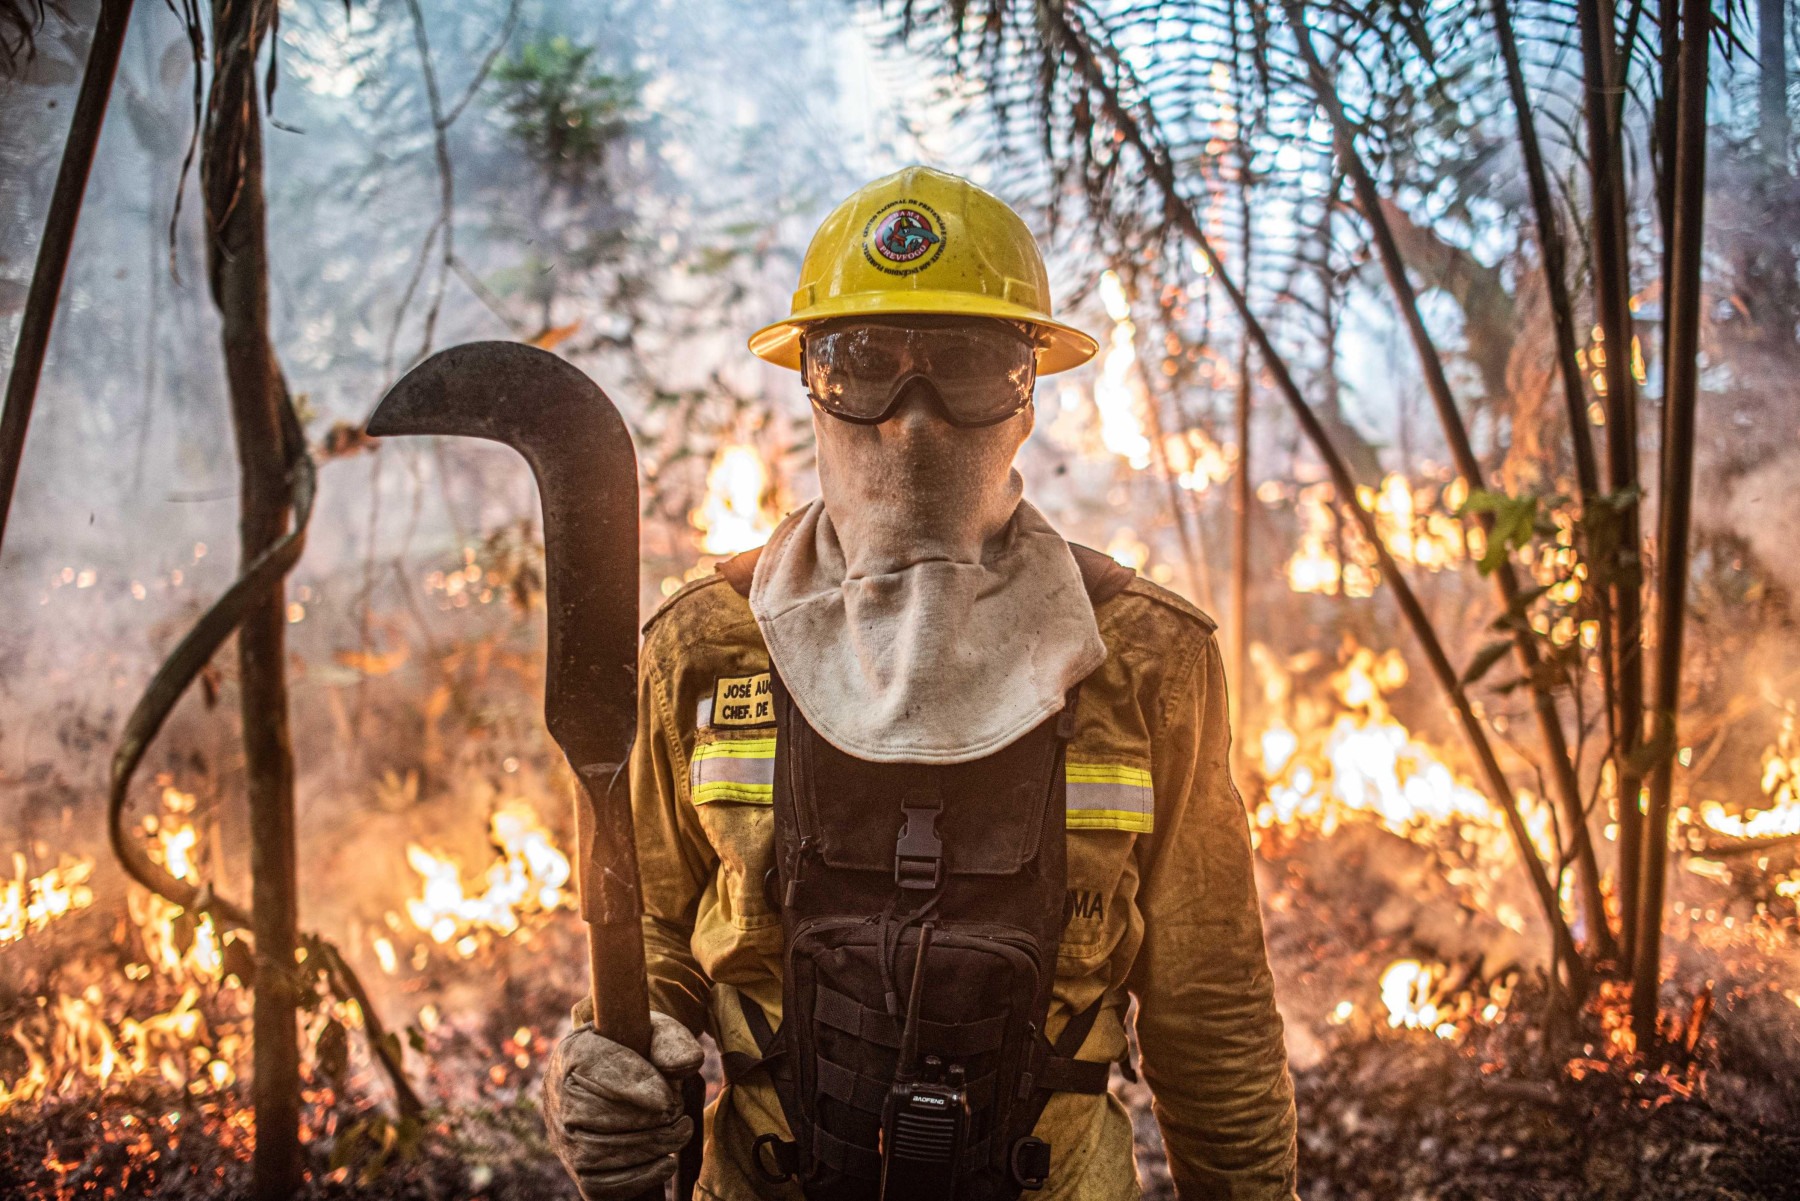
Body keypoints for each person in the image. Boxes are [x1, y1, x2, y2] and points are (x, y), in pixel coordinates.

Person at [542, 166, 1297, 1201]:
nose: (914, 419)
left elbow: (1209, 1011)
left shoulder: (1149, 660)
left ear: (1027, 395)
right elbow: (659, 932)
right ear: (809, 381)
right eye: (864, 365)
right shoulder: (704, 649)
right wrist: (622, 1051)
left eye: (967, 365)